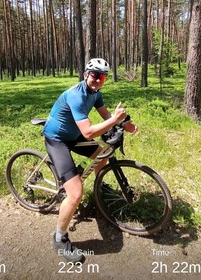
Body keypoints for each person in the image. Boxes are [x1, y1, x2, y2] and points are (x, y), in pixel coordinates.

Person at [43, 58, 137, 262]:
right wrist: (115, 120)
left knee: (102, 154)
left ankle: (98, 187)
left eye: (102, 77)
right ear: (86, 75)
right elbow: (87, 132)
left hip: (73, 134)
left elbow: (105, 115)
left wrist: (124, 123)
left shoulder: (96, 93)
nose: (98, 80)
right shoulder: (76, 95)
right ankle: (59, 238)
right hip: (57, 139)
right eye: (95, 75)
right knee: (76, 194)